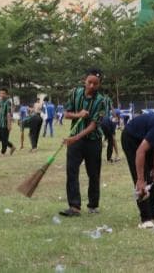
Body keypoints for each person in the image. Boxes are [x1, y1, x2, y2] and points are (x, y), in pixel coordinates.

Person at [60, 69, 107, 218]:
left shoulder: (101, 101)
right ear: (84, 81)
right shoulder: (75, 93)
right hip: (75, 141)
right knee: (71, 171)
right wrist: (78, 114)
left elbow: (93, 125)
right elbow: (66, 114)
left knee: (93, 174)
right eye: (90, 82)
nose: (92, 86)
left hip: (92, 141)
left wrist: (75, 138)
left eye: (95, 83)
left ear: (99, 84)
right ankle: (74, 206)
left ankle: (93, 204)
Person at [0, 88, 16, 156]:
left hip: (5, 123)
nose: (1, 94)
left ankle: (3, 153)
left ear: (7, 95)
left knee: (4, 138)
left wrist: (9, 124)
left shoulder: (8, 102)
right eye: (1, 93)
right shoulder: (0, 101)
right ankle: (12, 146)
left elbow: (8, 114)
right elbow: (0, 111)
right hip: (0, 122)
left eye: (3, 93)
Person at [101, 93, 120, 163]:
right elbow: (112, 109)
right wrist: (115, 117)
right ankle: (117, 155)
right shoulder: (108, 99)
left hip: (100, 121)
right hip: (108, 121)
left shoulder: (99, 99)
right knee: (112, 137)